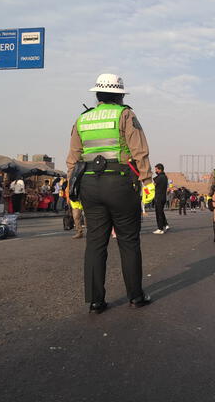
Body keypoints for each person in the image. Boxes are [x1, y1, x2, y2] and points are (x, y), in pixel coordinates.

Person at [66, 73, 154, 314]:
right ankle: (135, 296)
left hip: (89, 186)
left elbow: (73, 158)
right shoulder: (125, 114)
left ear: (97, 95)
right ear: (120, 95)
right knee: (128, 240)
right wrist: (147, 180)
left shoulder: (82, 119)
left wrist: (70, 188)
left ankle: (96, 301)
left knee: (95, 242)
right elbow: (139, 150)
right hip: (120, 183)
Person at [152, 163, 169, 234]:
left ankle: (160, 228)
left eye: (156, 169)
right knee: (161, 212)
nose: (155, 171)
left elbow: (153, 185)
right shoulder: (165, 177)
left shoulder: (159, 177)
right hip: (163, 197)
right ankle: (165, 224)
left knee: (158, 213)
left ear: (160, 169)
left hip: (158, 197)